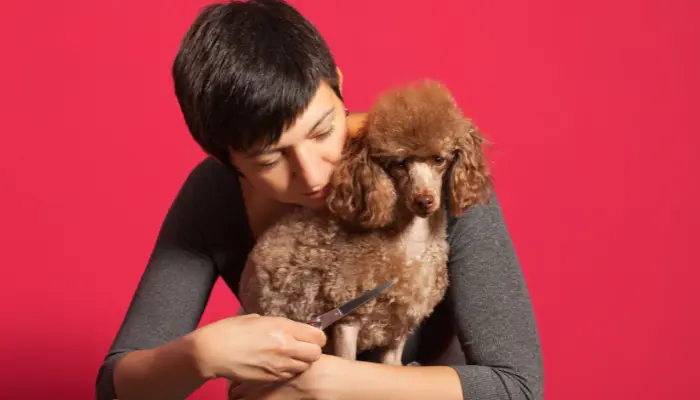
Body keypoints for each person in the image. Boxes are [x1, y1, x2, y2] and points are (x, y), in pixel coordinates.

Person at [95, 1, 544, 399]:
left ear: (339, 85)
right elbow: (116, 385)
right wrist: (200, 354)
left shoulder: (426, 168)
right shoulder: (214, 195)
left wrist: (330, 383)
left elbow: (518, 387)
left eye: (323, 130)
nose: (312, 174)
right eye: (269, 160)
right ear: (226, 159)